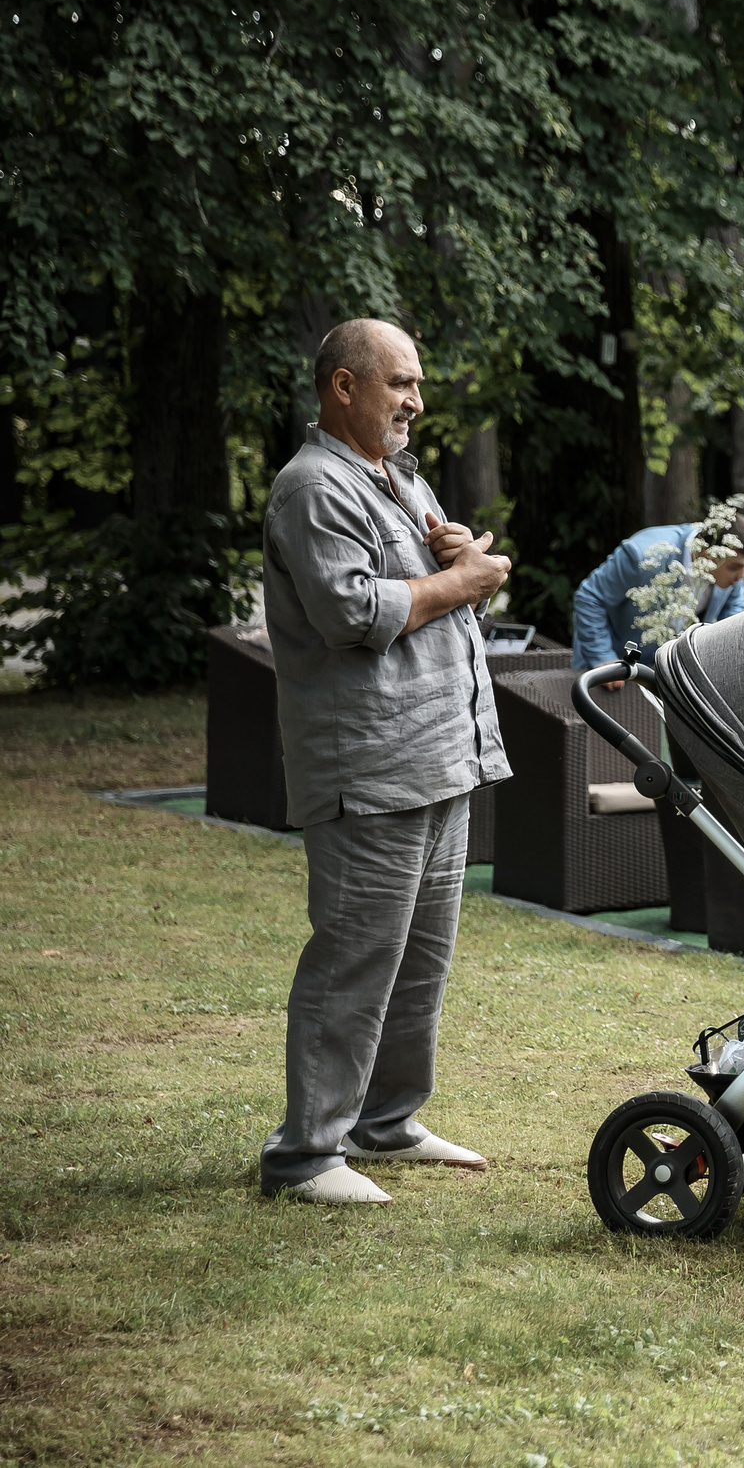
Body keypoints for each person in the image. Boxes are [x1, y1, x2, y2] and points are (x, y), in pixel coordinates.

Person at [259, 319, 513, 1205]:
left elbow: (441, 585)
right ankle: (304, 1154)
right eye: (400, 382)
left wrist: (468, 560)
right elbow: (352, 614)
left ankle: (385, 1121)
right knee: (355, 956)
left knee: (419, 958)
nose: (414, 401)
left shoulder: (398, 477)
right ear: (343, 386)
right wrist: (465, 582)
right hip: (368, 763)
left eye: (417, 384)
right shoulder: (312, 487)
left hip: (441, 752)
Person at [570, 516, 744, 671]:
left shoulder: (729, 563)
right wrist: (603, 658)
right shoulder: (641, 556)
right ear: (705, 554)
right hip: (612, 668)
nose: (741, 577)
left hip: (673, 678)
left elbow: (732, 616)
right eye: (735, 567)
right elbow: (590, 598)